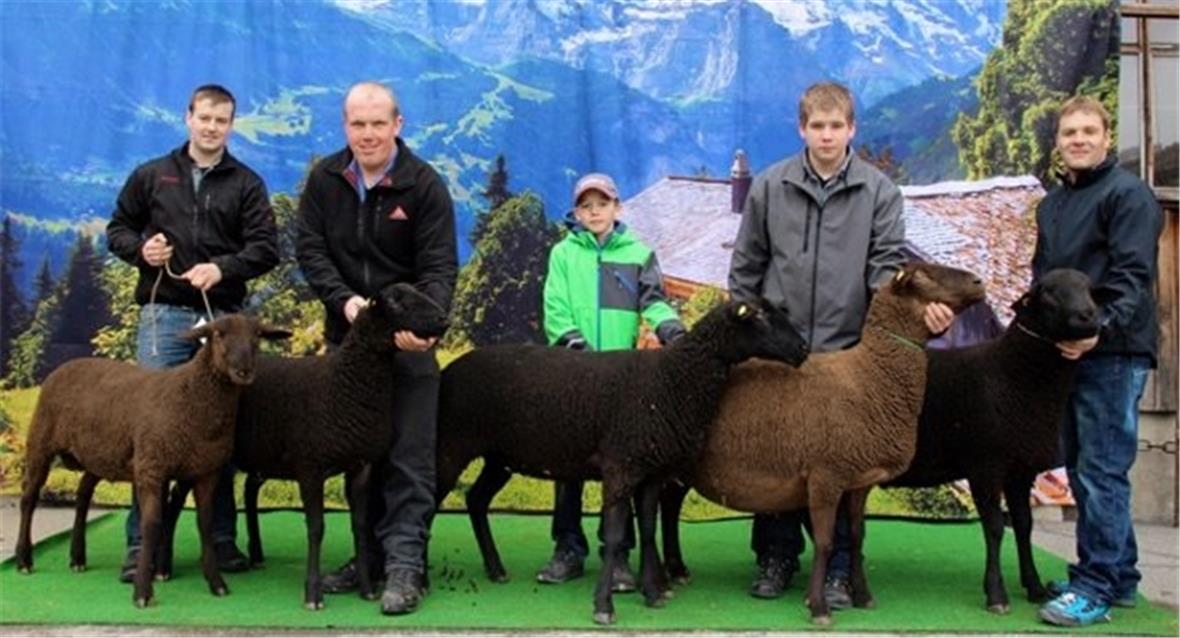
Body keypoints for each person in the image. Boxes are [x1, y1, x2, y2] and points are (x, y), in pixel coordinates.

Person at [727, 81, 954, 608]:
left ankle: (841, 568)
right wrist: (752, 331)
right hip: (779, 350)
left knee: (846, 464)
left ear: (851, 129)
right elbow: (747, 265)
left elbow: (886, 272)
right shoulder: (769, 186)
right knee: (779, 450)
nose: (826, 135)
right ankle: (775, 555)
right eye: (817, 126)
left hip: (848, 354)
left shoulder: (880, 192)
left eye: (836, 126)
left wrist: (922, 315)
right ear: (802, 128)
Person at [106, 83, 279, 583]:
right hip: (164, 316)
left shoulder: (247, 183)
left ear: (231, 125)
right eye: (204, 118)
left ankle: (220, 541)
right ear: (188, 118)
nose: (212, 127)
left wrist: (222, 269)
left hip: (223, 322)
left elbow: (266, 248)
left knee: (216, 434)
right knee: (152, 432)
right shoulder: (152, 176)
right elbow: (118, 228)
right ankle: (142, 546)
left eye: (222, 120)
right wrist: (141, 251)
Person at [296, 81, 457, 616]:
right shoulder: (323, 180)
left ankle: (406, 563)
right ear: (345, 126)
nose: (367, 134)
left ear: (398, 125)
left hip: (407, 346)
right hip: (348, 347)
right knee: (356, 458)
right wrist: (344, 303)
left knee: (410, 455)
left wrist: (423, 328)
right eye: (357, 124)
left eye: (377, 124)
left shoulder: (424, 186)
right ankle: (366, 558)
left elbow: (438, 268)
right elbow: (311, 251)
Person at [1034, 96, 1163, 628]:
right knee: (1087, 467)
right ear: (1059, 141)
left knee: (1101, 471)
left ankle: (1096, 587)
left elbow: (1132, 276)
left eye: (1089, 130)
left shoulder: (1129, 196)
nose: (1079, 139)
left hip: (1113, 353)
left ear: (1107, 137)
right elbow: (1044, 280)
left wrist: (1099, 331)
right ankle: (1121, 575)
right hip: (1069, 354)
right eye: (1069, 132)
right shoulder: (1054, 205)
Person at [536, 172, 686, 591]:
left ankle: (617, 554)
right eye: (587, 205)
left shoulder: (638, 253)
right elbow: (556, 310)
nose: (595, 211)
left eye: (603, 203)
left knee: (621, 472)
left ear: (617, 208)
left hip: (622, 386)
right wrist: (577, 353)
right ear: (577, 212)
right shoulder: (563, 254)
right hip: (574, 379)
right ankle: (567, 548)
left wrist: (673, 331)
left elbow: (653, 302)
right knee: (568, 468)